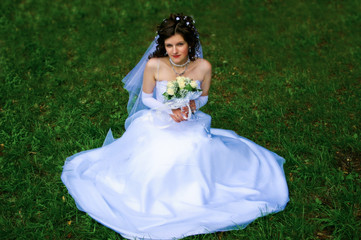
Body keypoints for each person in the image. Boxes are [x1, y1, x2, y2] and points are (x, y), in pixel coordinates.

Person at [61, 13, 289, 240]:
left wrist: (191, 105)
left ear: (190, 43)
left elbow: (204, 97)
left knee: (194, 147)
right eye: (169, 45)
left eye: (180, 44)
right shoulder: (155, 65)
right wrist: (169, 109)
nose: (175, 50)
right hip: (159, 121)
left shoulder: (203, 67)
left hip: (189, 122)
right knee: (163, 154)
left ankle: (196, 195)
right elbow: (148, 98)